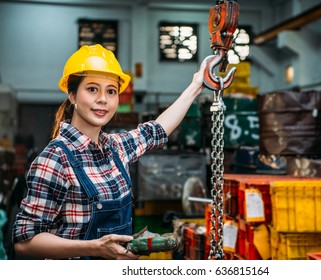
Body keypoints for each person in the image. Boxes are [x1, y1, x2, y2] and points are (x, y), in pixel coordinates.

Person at [12, 44, 207, 260]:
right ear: (72, 95)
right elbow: (25, 242)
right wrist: (96, 248)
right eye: (92, 89)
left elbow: (157, 130)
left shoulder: (115, 148)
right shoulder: (55, 159)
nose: (103, 99)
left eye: (111, 91)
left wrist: (196, 85)